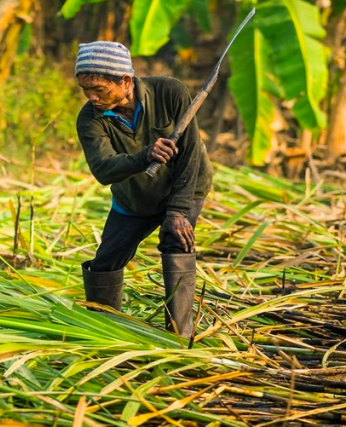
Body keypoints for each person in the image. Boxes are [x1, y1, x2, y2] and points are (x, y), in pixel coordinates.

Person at [75, 41, 212, 337]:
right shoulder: (90, 119)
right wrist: (144, 156)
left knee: (176, 240)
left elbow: (191, 155)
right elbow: (103, 169)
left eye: (98, 89)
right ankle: (101, 331)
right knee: (106, 261)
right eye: (85, 90)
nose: (92, 97)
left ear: (125, 81)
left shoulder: (170, 92)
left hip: (184, 188)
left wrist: (177, 211)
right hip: (133, 198)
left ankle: (179, 335)